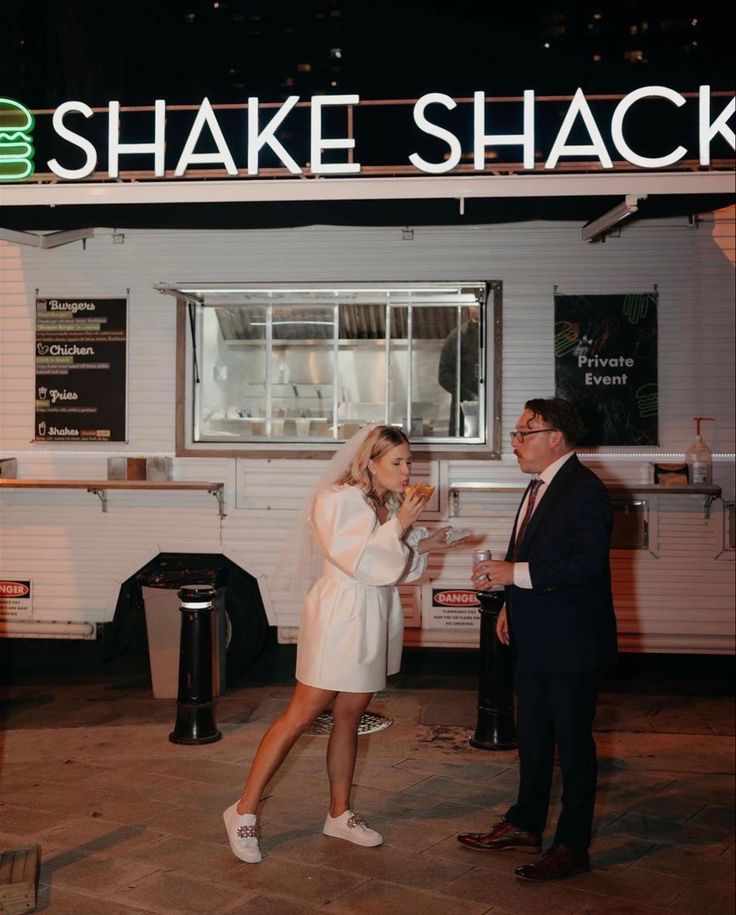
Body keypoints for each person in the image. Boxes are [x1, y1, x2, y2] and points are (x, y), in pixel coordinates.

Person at [224, 424, 466, 863]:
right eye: (398, 462)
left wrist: (427, 542)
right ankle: (243, 810)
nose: (408, 470)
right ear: (369, 462)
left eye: (409, 461)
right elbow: (358, 561)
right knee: (301, 713)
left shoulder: (384, 500)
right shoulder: (336, 498)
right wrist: (403, 524)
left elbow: (393, 566)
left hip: (373, 611)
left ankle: (339, 813)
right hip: (340, 613)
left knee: (351, 714)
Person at [458, 397, 617, 881]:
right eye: (516, 432)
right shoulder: (540, 486)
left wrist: (513, 573)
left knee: (572, 744)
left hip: (572, 642)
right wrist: (509, 599)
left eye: (525, 432)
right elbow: (528, 551)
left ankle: (572, 846)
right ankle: (525, 824)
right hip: (535, 633)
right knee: (532, 737)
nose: (515, 441)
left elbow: (585, 565)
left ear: (556, 438)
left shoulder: (584, 489)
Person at [438, 305, 480, 436]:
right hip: (463, 414)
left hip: (492, 412)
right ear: (469, 307)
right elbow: (444, 375)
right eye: (474, 305)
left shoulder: (495, 334)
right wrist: (470, 396)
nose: (478, 308)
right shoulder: (458, 336)